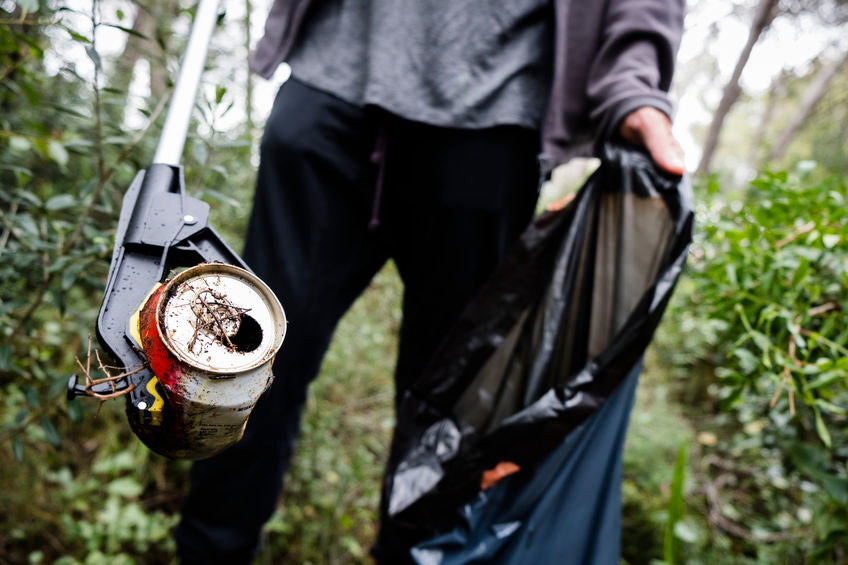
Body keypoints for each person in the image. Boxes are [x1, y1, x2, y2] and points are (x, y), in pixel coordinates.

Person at [175, 1, 686, 563]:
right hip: (332, 79)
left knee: (444, 420)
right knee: (246, 366)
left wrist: (634, 85)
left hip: (493, 116)